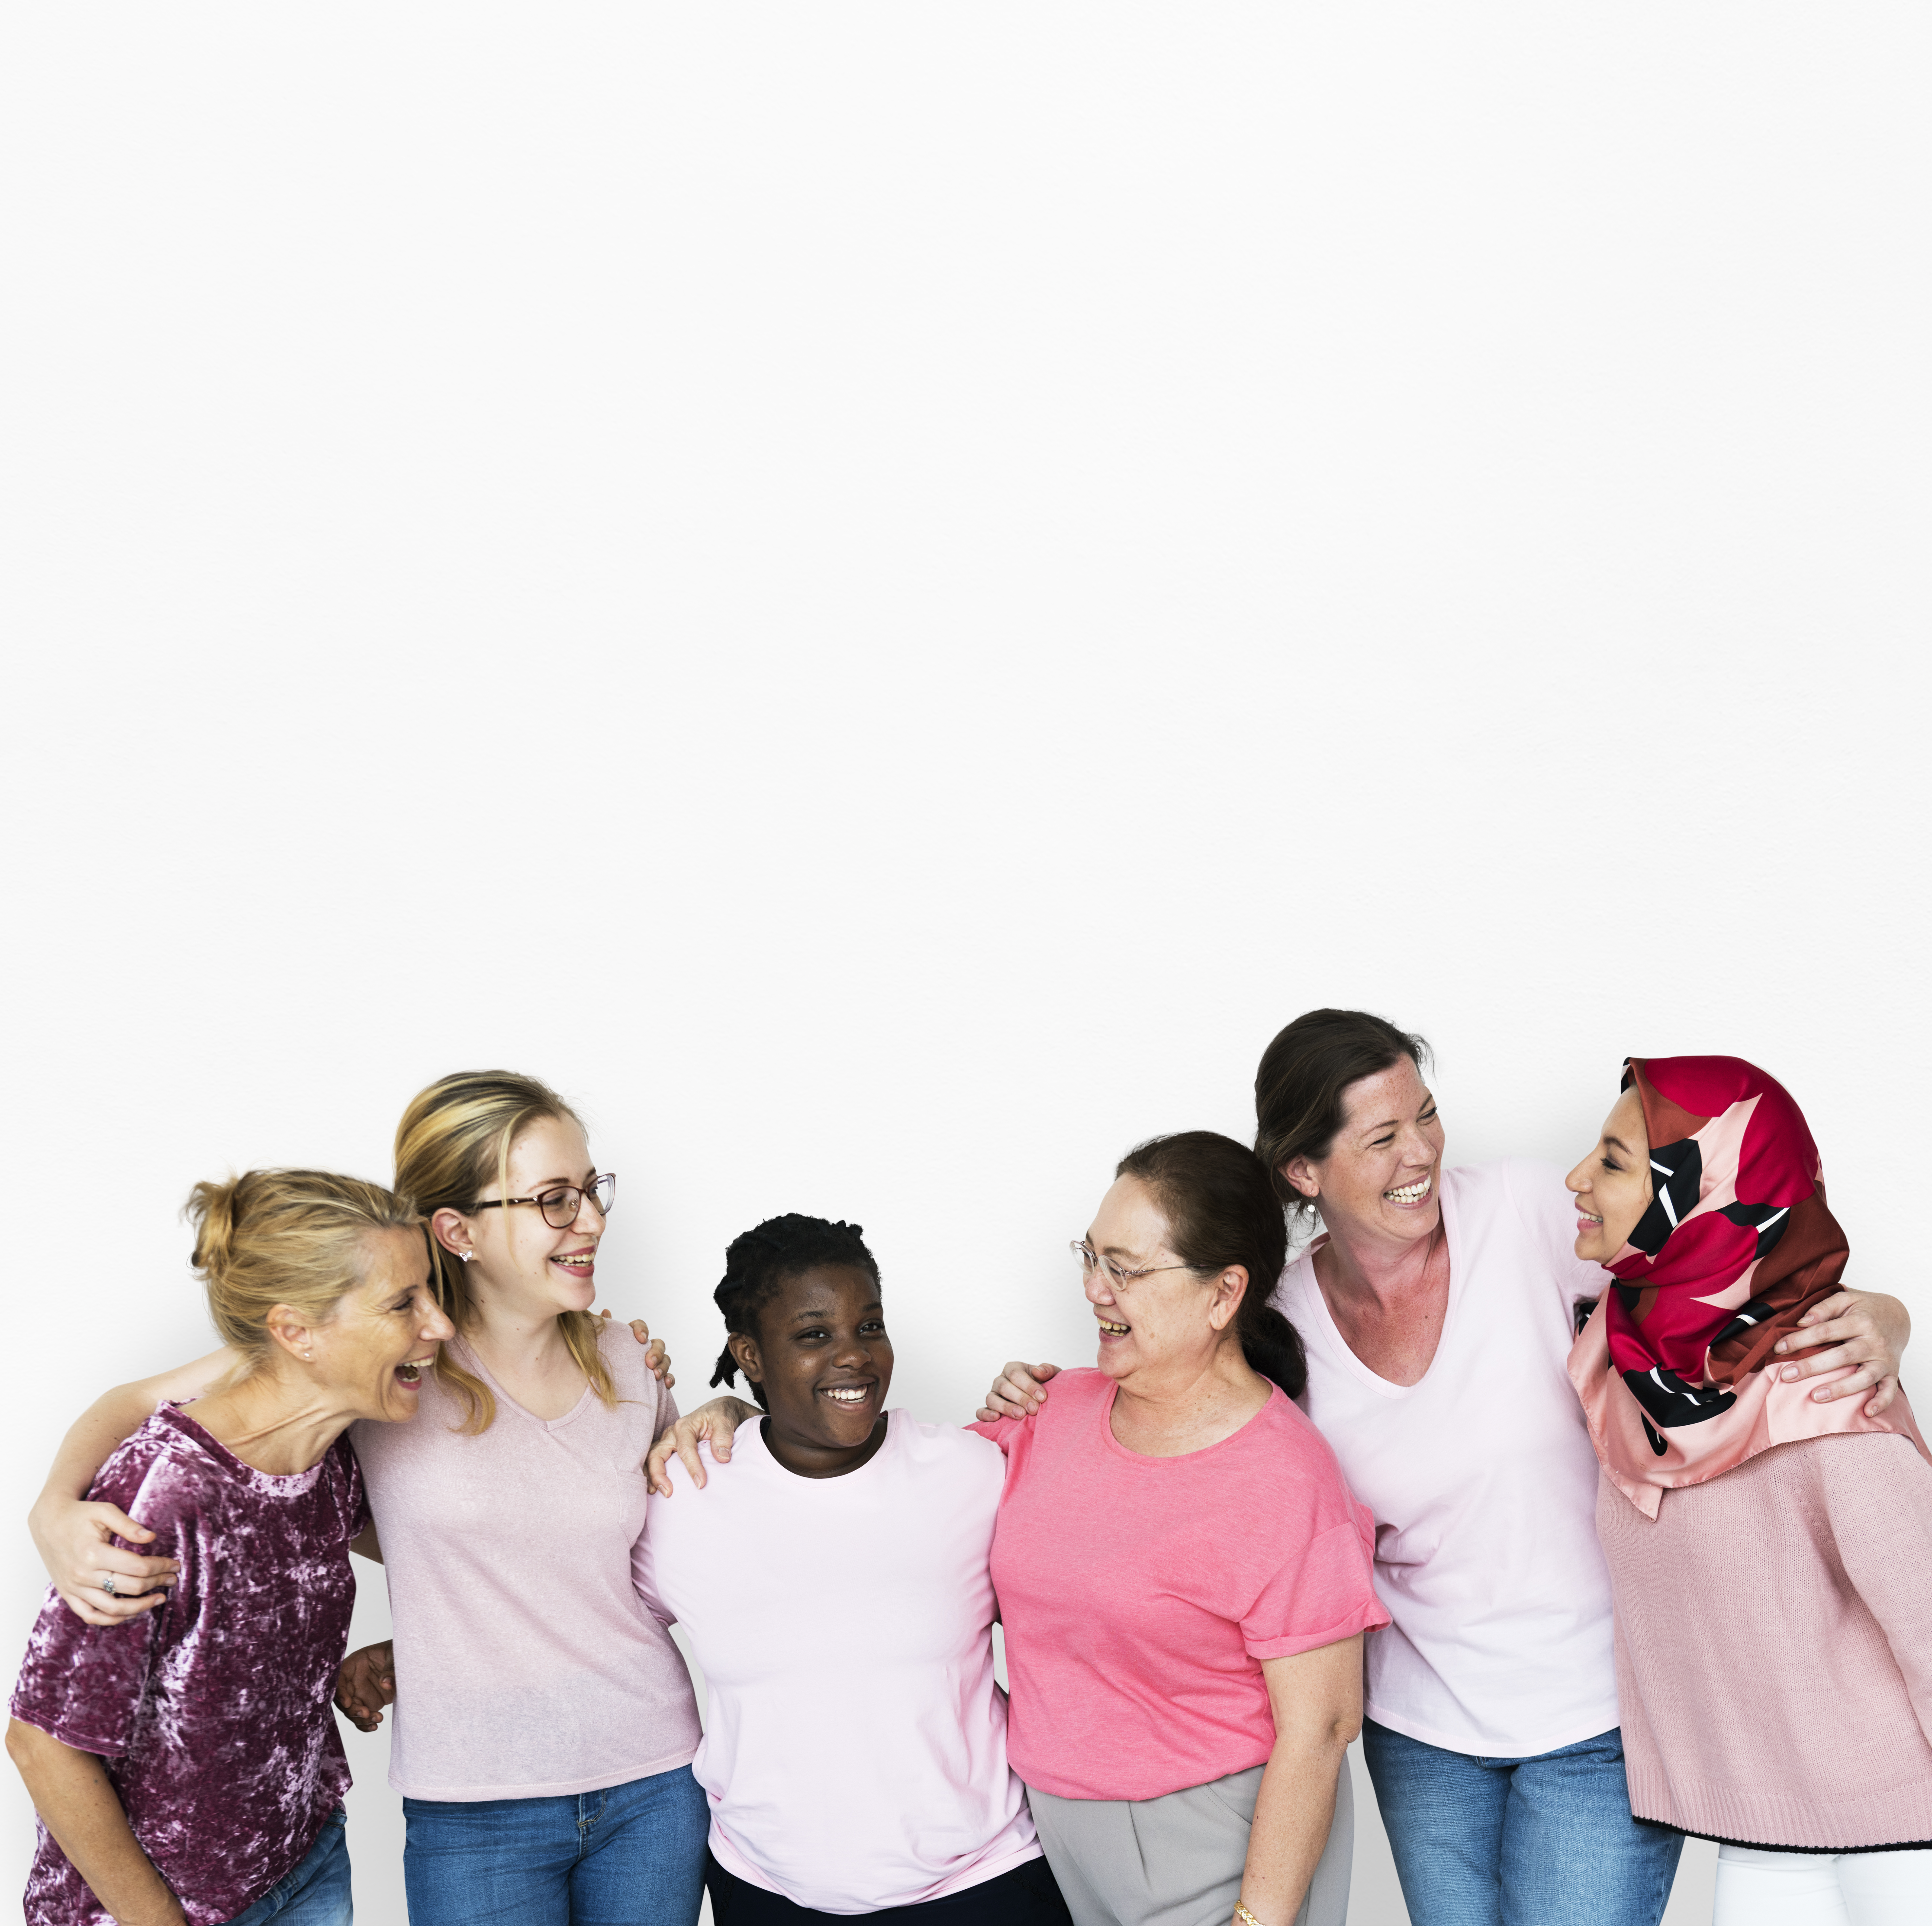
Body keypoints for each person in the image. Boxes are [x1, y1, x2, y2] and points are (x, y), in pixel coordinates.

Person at [981, 1009, 1915, 1926]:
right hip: (1420, 1728)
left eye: (1424, 1115)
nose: (1419, 1152)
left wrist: (1879, 1310)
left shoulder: (1521, 1212)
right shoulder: (1281, 1319)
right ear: (1303, 1169)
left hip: (1596, 1714)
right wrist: (1043, 1398)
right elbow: (1194, 1433)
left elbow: (1705, 1244)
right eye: (1381, 1135)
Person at [658, 1133, 1386, 1926]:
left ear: (1223, 1294)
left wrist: (1262, 1917)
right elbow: (870, 1496)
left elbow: (1322, 1724)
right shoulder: (1052, 1412)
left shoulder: (1287, 1477)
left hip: (1219, 1837)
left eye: (1125, 1268)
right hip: (1059, 1849)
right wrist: (736, 1416)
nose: (1093, 1289)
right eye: (1090, 1255)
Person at [29, 1071, 700, 1926]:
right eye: (553, 1198)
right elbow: (150, 1407)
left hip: (631, 1777)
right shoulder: (369, 1371)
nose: (592, 1220)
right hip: (461, 1808)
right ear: (458, 1229)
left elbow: (621, 1547)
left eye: (590, 1190)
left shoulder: (610, 1361)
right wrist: (52, 1506)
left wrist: (726, 1407)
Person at [7, 1166, 453, 1926]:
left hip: (304, 1864)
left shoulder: (331, 1457)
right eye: (404, 1302)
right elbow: (42, 1744)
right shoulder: (164, 1492)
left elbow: (446, 1553)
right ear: (296, 1331)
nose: (440, 1324)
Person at [1567, 1055, 1932, 1925]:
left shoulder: (1825, 1375)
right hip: (1761, 1836)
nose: (1577, 1176)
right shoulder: (1615, 1359)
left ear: (1703, 1192)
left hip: (1900, 1834)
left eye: (1615, 1160)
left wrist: (1888, 1319)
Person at [635, 1213, 1069, 1924]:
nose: (854, 1356)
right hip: (768, 1890)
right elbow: (592, 1628)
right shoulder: (685, 1498)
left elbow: (1084, 1618)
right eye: (814, 1335)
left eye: (870, 1326)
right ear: (749, 1352)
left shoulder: (970, 1472)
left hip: (983, 1882)